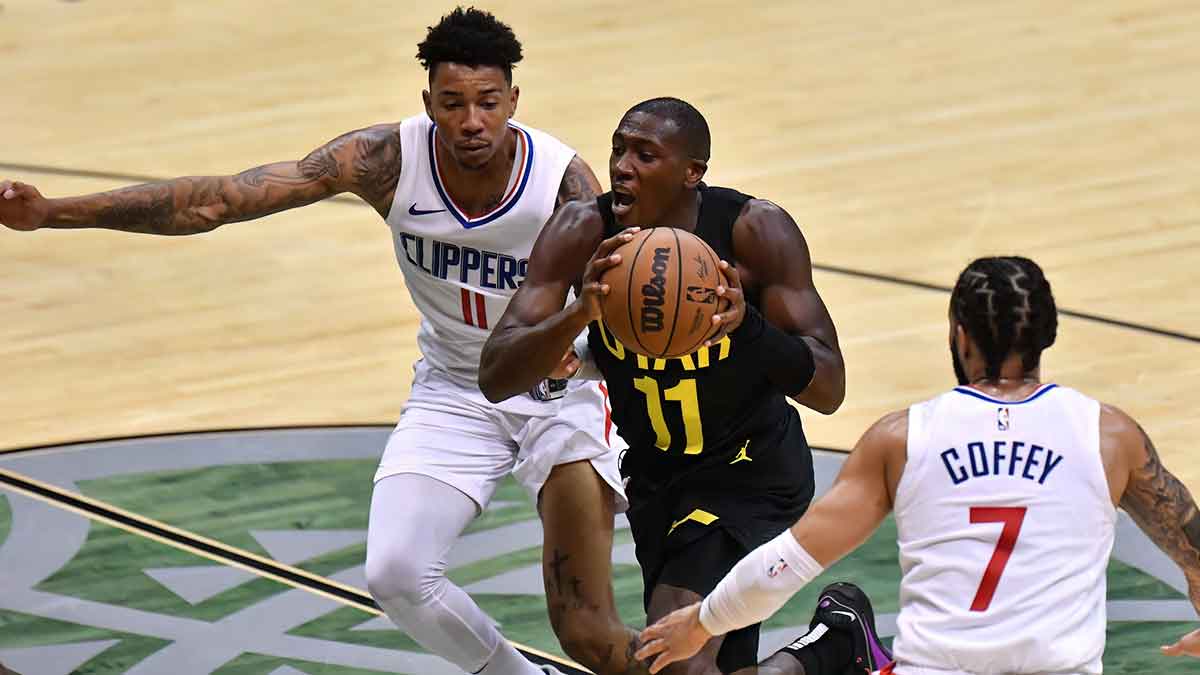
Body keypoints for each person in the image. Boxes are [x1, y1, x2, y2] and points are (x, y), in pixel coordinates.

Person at [0, 8, 645, 675]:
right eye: (453, 103)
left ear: (514, 100)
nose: (472, 121)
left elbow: (622, 301)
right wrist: (51, 214)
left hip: (554, 393)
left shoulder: (561, 182)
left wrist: (595, 364)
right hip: (455, 389)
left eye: (487, 102)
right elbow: (217, 201)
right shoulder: (387, 160)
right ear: (428, 103)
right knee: (396, 575)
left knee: (587, 629)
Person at [480, 97, 892, 674]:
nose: (622, 167)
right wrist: (579, 314)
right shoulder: (581, 232)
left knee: (675, 658)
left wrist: (747, 326)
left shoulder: (753, 232)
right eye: (618, 149)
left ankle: (832, 646)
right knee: (710, 668)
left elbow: (829, 388)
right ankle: (833, 645)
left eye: (645, 155)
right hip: (659, 480)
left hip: (749, 473)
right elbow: (495, 375)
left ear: (692, 172)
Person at [635, 256, 1200, 674]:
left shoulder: (903, 439)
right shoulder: (1109, 436)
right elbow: (1191, 546)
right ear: (1048, 335)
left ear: (959, 335)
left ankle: (837, 648)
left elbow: (788, 562)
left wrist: (702, 623)